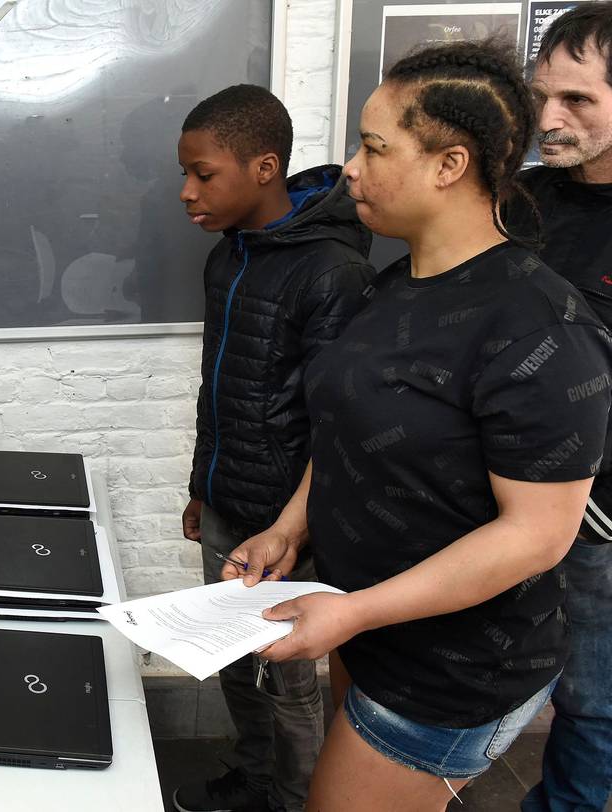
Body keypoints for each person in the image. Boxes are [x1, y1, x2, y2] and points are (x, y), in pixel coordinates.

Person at [225, 39, 612, 811]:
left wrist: (354, 610)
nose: (352, 170)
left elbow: (536, 535)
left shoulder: (540, 324)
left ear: (449, 165)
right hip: (368, 623)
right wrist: (290, 525)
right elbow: (346, 422)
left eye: (373, 147)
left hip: (454, 663)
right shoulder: (397, 281)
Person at [174, 84, 375, 812]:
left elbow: (340, 423)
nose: (188, 192)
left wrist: (300, 525)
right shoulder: (228, 258)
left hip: (290, 525)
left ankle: (296, 800)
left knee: (287, 683)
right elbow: (215, 384)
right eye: (186, 174)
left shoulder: (332, 270)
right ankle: (254, 780)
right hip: (230, 502)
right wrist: (203, 484)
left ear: (264, 168)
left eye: (204, 173)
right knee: (231, 662)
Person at [508, 5, 612, 810]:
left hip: (600, 525)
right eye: (543, 95)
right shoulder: (525, 200)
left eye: (578, 99)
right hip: (500, 501)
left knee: (592, 704)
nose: (549, 118)